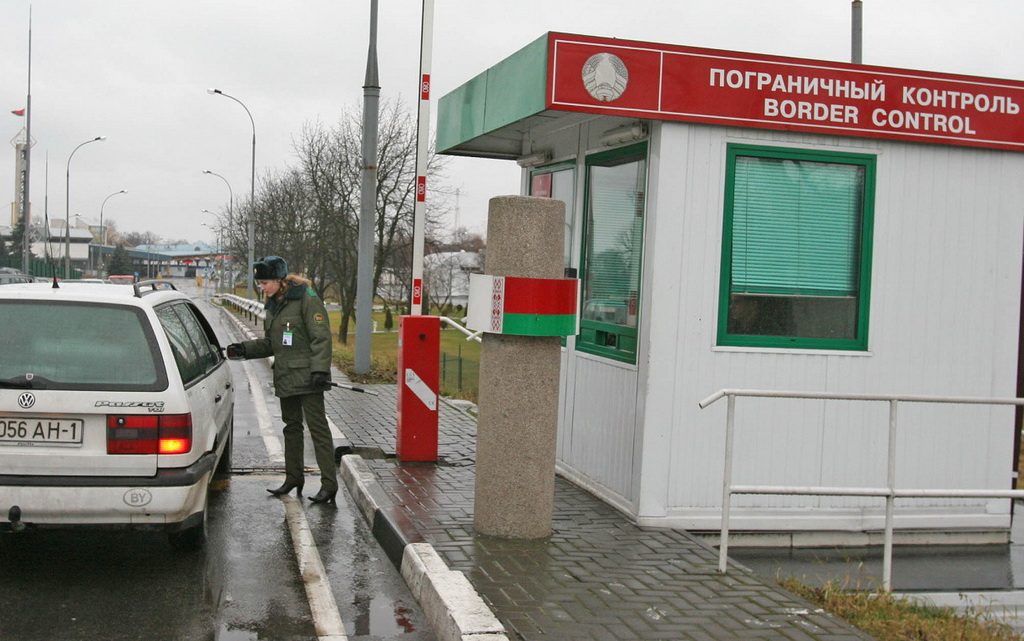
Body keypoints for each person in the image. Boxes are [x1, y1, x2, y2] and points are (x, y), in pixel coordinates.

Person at [225, 255, 338, 504]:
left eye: (264, 282)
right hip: (286, 376)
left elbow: (321, 337)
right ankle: (293, 477)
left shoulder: (306, 299)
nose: (261, 287)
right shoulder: (273, 305)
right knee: (291, 429)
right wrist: (244, 349)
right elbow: (271, 343)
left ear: (278, 279)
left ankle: (329, 484)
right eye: (260, 283)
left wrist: (320, 370)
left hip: (309, 376)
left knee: (318, 430)